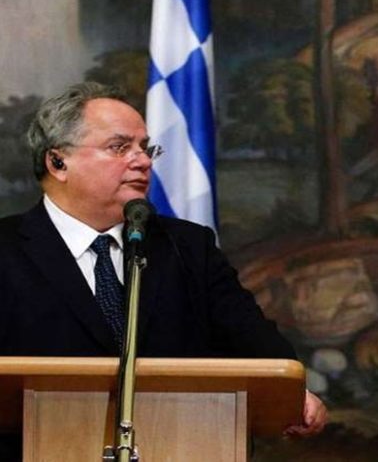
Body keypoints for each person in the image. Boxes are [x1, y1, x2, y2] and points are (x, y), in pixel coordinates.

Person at [0, 82, 326, 448]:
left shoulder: (188, 247)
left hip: (183, 445)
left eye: (145, 148)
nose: (143, 161)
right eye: (119, 147)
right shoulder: (6, 250)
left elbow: (259, 346)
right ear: (58, 162)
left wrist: (293, 392)